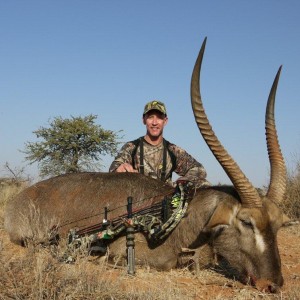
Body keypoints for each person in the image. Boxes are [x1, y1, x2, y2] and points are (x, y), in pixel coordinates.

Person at [109, 100, 210, 188]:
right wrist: (120, 168)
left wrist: (182, 182)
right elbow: (113, 168)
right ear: (144, 120)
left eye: (159, 118)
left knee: (204, 184)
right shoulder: (131, 147)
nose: (154, 122)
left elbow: (199, 169)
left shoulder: (173, 150)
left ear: (165, 121)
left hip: (166, 202)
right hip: (138, 203)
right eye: (150, 117)